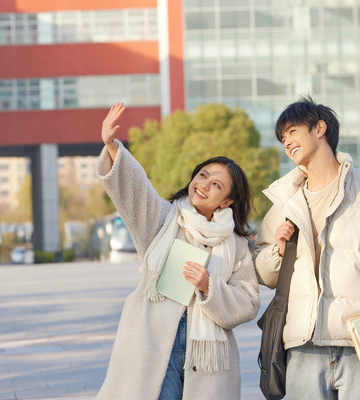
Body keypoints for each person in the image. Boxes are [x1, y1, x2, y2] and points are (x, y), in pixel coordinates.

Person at [253, 95, 360, 399]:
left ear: (319, 128)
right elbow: (263, 274)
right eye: (282, 137)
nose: (287, 142)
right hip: (302, 346)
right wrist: (277, 249)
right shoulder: (285, 201)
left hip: (359, 344)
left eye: (292, 131)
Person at [94, 103, 260, 400]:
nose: (204, 185)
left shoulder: (235, 245)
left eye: (216, 185)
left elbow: (248, 301)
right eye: (203, 175)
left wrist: (209, 286)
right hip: (155, 347)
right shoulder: (163, 219)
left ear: (226, 203)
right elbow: (136, 189)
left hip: (208, 360)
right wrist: (112, 146)